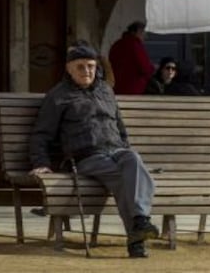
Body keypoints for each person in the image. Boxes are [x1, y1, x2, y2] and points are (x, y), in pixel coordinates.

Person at [29, 42, 159, 258]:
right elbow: (41, 133)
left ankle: (140, 223)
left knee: (133, 159)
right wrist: (40, 162)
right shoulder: (58, 96)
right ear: (69, 69)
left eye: (90, 66)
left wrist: (124, 147)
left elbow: (120, 127)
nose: (87, 71)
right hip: (87, 157)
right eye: (80, 66)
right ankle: (137, 236)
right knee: (124, 178)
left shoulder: (105, 91)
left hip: (116, 151)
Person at [108, 21, 155, 94]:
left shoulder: (117, 44)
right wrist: (152, 69)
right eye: (143, 33)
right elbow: (145, 67)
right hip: (133, 88)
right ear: (138, 31)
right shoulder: (135, 45)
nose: (145, 37)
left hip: (116, 86)